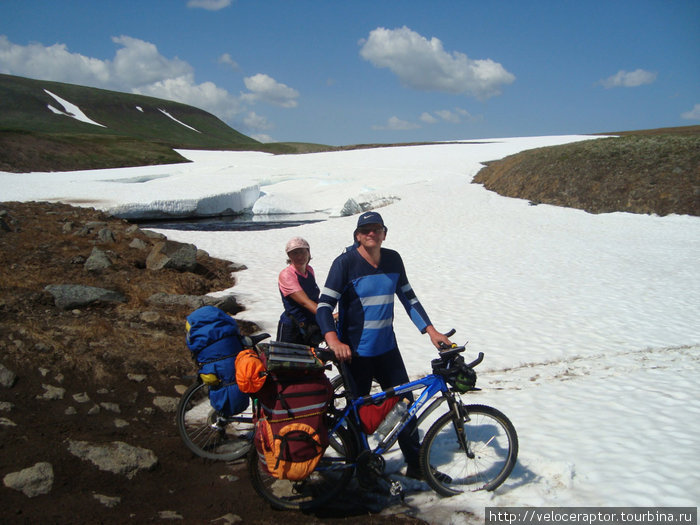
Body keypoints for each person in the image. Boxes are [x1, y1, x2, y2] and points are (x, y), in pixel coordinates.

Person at [316, 211, 452, 480]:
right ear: (357, 236)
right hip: (355, 353)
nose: (371, 233)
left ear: (384, 233)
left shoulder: (393, 259)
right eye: (365, 229)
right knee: (358, 413)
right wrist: (333, 339)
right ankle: (359, 468)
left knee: (405, 404)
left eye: (376, 229)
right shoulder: (345, 264)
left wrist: (431, 330)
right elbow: (323, 306)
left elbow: (408, 298)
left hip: (387, 349)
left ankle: (415, 464)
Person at [277, 236, 323, 346]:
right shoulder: (287, 275)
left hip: (310, 326)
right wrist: (326, 314)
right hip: (292, 328)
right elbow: (304, 301)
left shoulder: (309, 270)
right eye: (295, 253)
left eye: (302, 252)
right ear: (289, 256)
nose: (300, 256)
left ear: (308, 253)